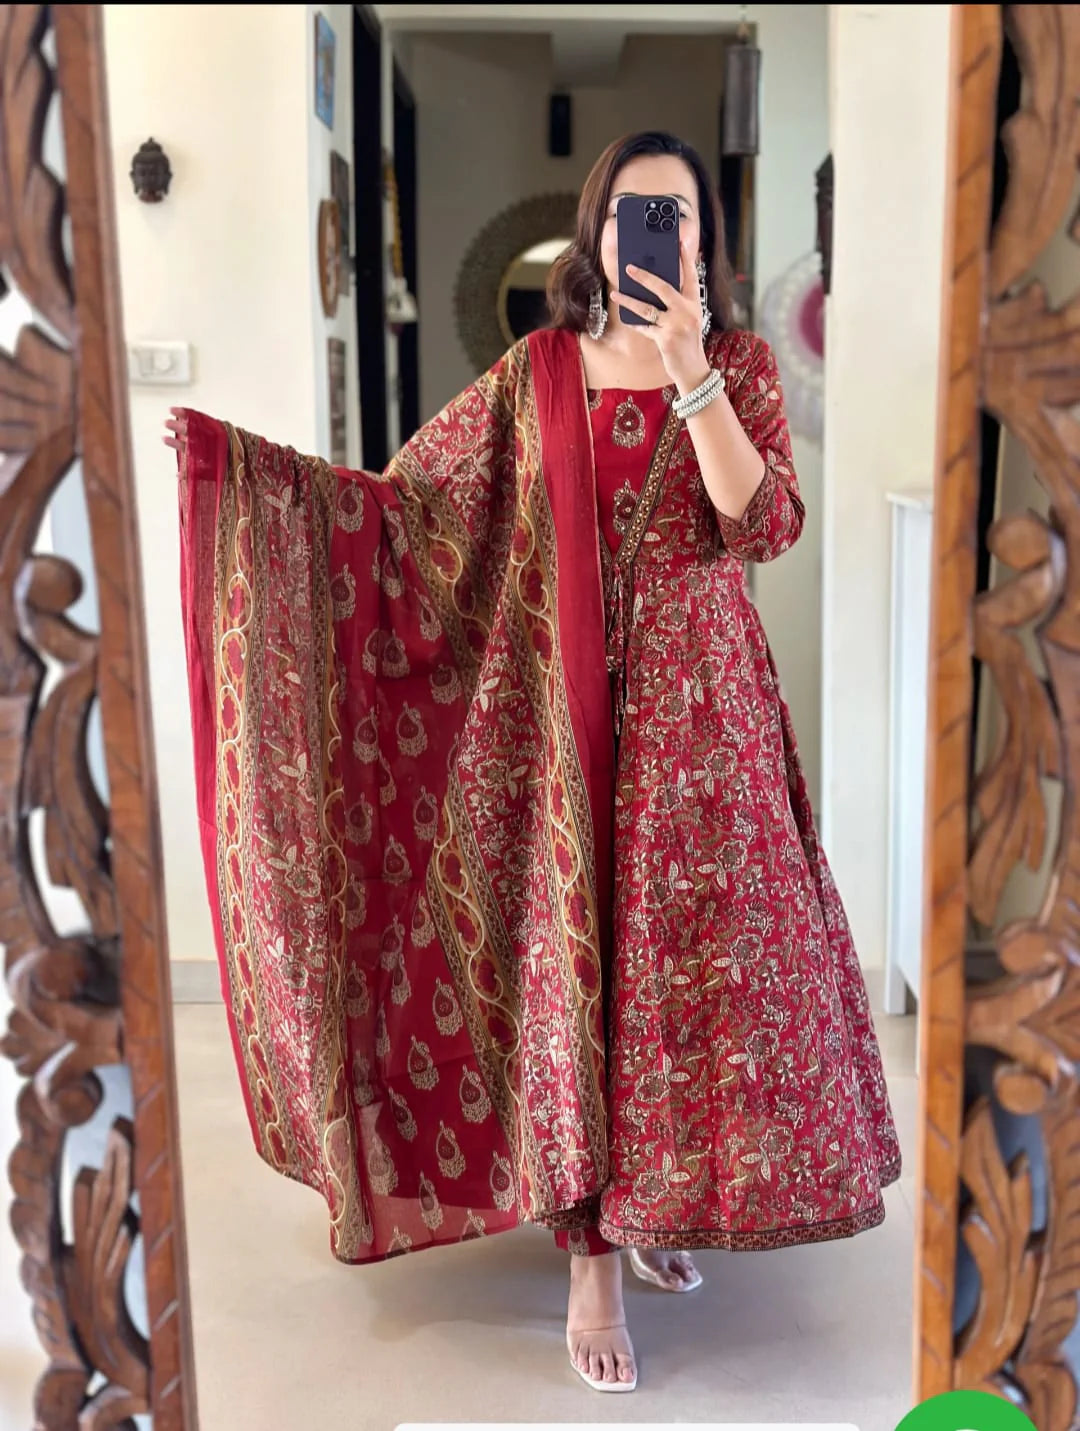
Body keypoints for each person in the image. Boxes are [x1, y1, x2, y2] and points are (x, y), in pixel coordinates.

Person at [166, 131, 900, 1396]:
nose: (651, 233)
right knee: (576, 972)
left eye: (676, 214)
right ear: (596, 231)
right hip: (557, 730)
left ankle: (656, 1204)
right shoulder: (538, 373)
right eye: (630, 213)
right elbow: (407, 512)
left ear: (706, 238)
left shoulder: (737, 365)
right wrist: (245, 478)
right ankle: (590, 1263)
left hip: (704, 734)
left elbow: (764, 525)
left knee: (688, 987)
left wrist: (690, 373)